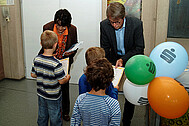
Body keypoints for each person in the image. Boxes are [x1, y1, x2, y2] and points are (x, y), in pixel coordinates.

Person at [100, 2, 145, 126]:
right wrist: (114, 63)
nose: (114, 25)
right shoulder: (104, 25)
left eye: (117, 22)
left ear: (123, 17)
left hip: (131, 60)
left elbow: (139, 48)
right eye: (112, 22)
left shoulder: (136, 24)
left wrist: (123, 59)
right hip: (113, 61)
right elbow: (105, 48)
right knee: (109, 89)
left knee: (130, 93)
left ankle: (126, 121)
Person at [38, 9, 78, 121]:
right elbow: (44, 46)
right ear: (55, 21)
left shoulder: (73, 29)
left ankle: (65, 112)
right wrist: (50, 54)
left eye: (63, 26)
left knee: (64, 86)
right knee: (49, 85)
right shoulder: (47, 27)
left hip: (64, 61)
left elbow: (75, 45)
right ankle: (49, 110)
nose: (60, 29)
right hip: (50, 60)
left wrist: (72, 52)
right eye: (58, 25)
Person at [31, 30, 71, 126]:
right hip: (54, 96)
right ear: (55, 45)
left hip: (41, 94)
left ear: (41, 43)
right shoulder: (56, 64)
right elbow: (61, 81)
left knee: (42, 114)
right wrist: (68, 77)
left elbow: (33, 74)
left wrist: (42, 73)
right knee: (55, 116)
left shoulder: (37, 59)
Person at [71, 58, 121, 126]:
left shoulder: (80, 99)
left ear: (88, 78)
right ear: (110, 80)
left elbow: (75, 123)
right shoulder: (113, 104)